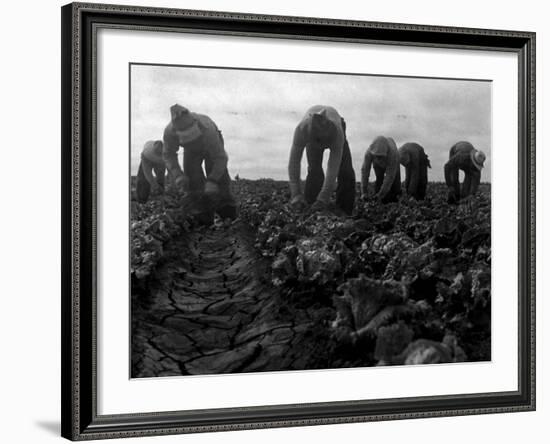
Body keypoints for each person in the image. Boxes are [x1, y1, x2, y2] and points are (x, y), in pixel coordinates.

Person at [163, 104, 237, 220]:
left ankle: (228, 213)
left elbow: (220, 158)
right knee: (192, 179)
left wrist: (212, 180)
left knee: (219, 178)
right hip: (190, 150)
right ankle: (202, 216)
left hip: (209, 146)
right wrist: (177, 175)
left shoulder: (208, 129)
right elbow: (168, 155)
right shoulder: (169, 133)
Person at [287, 105, 356, 215]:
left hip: (336, 126)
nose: (321, 145)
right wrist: (296, 194)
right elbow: (294, 162)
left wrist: (323, 198)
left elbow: (333, 168)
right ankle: (309, 207)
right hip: (311, 134)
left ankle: (344, 211)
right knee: (314, 170)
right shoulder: (302, 130)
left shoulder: (337, 133)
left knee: (345, 170)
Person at [361, 136, 401, 203]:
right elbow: (365, 171)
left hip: (392, 162)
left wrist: (381, 194)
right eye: (377, 156)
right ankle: (378, 200)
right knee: (379, 179)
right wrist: (364, 192)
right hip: (377, 165)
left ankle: (393, 201)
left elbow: (390, 176)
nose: (379, 159)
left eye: (381, 157)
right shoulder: (369, 152)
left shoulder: (393, 154)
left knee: (395, 183)